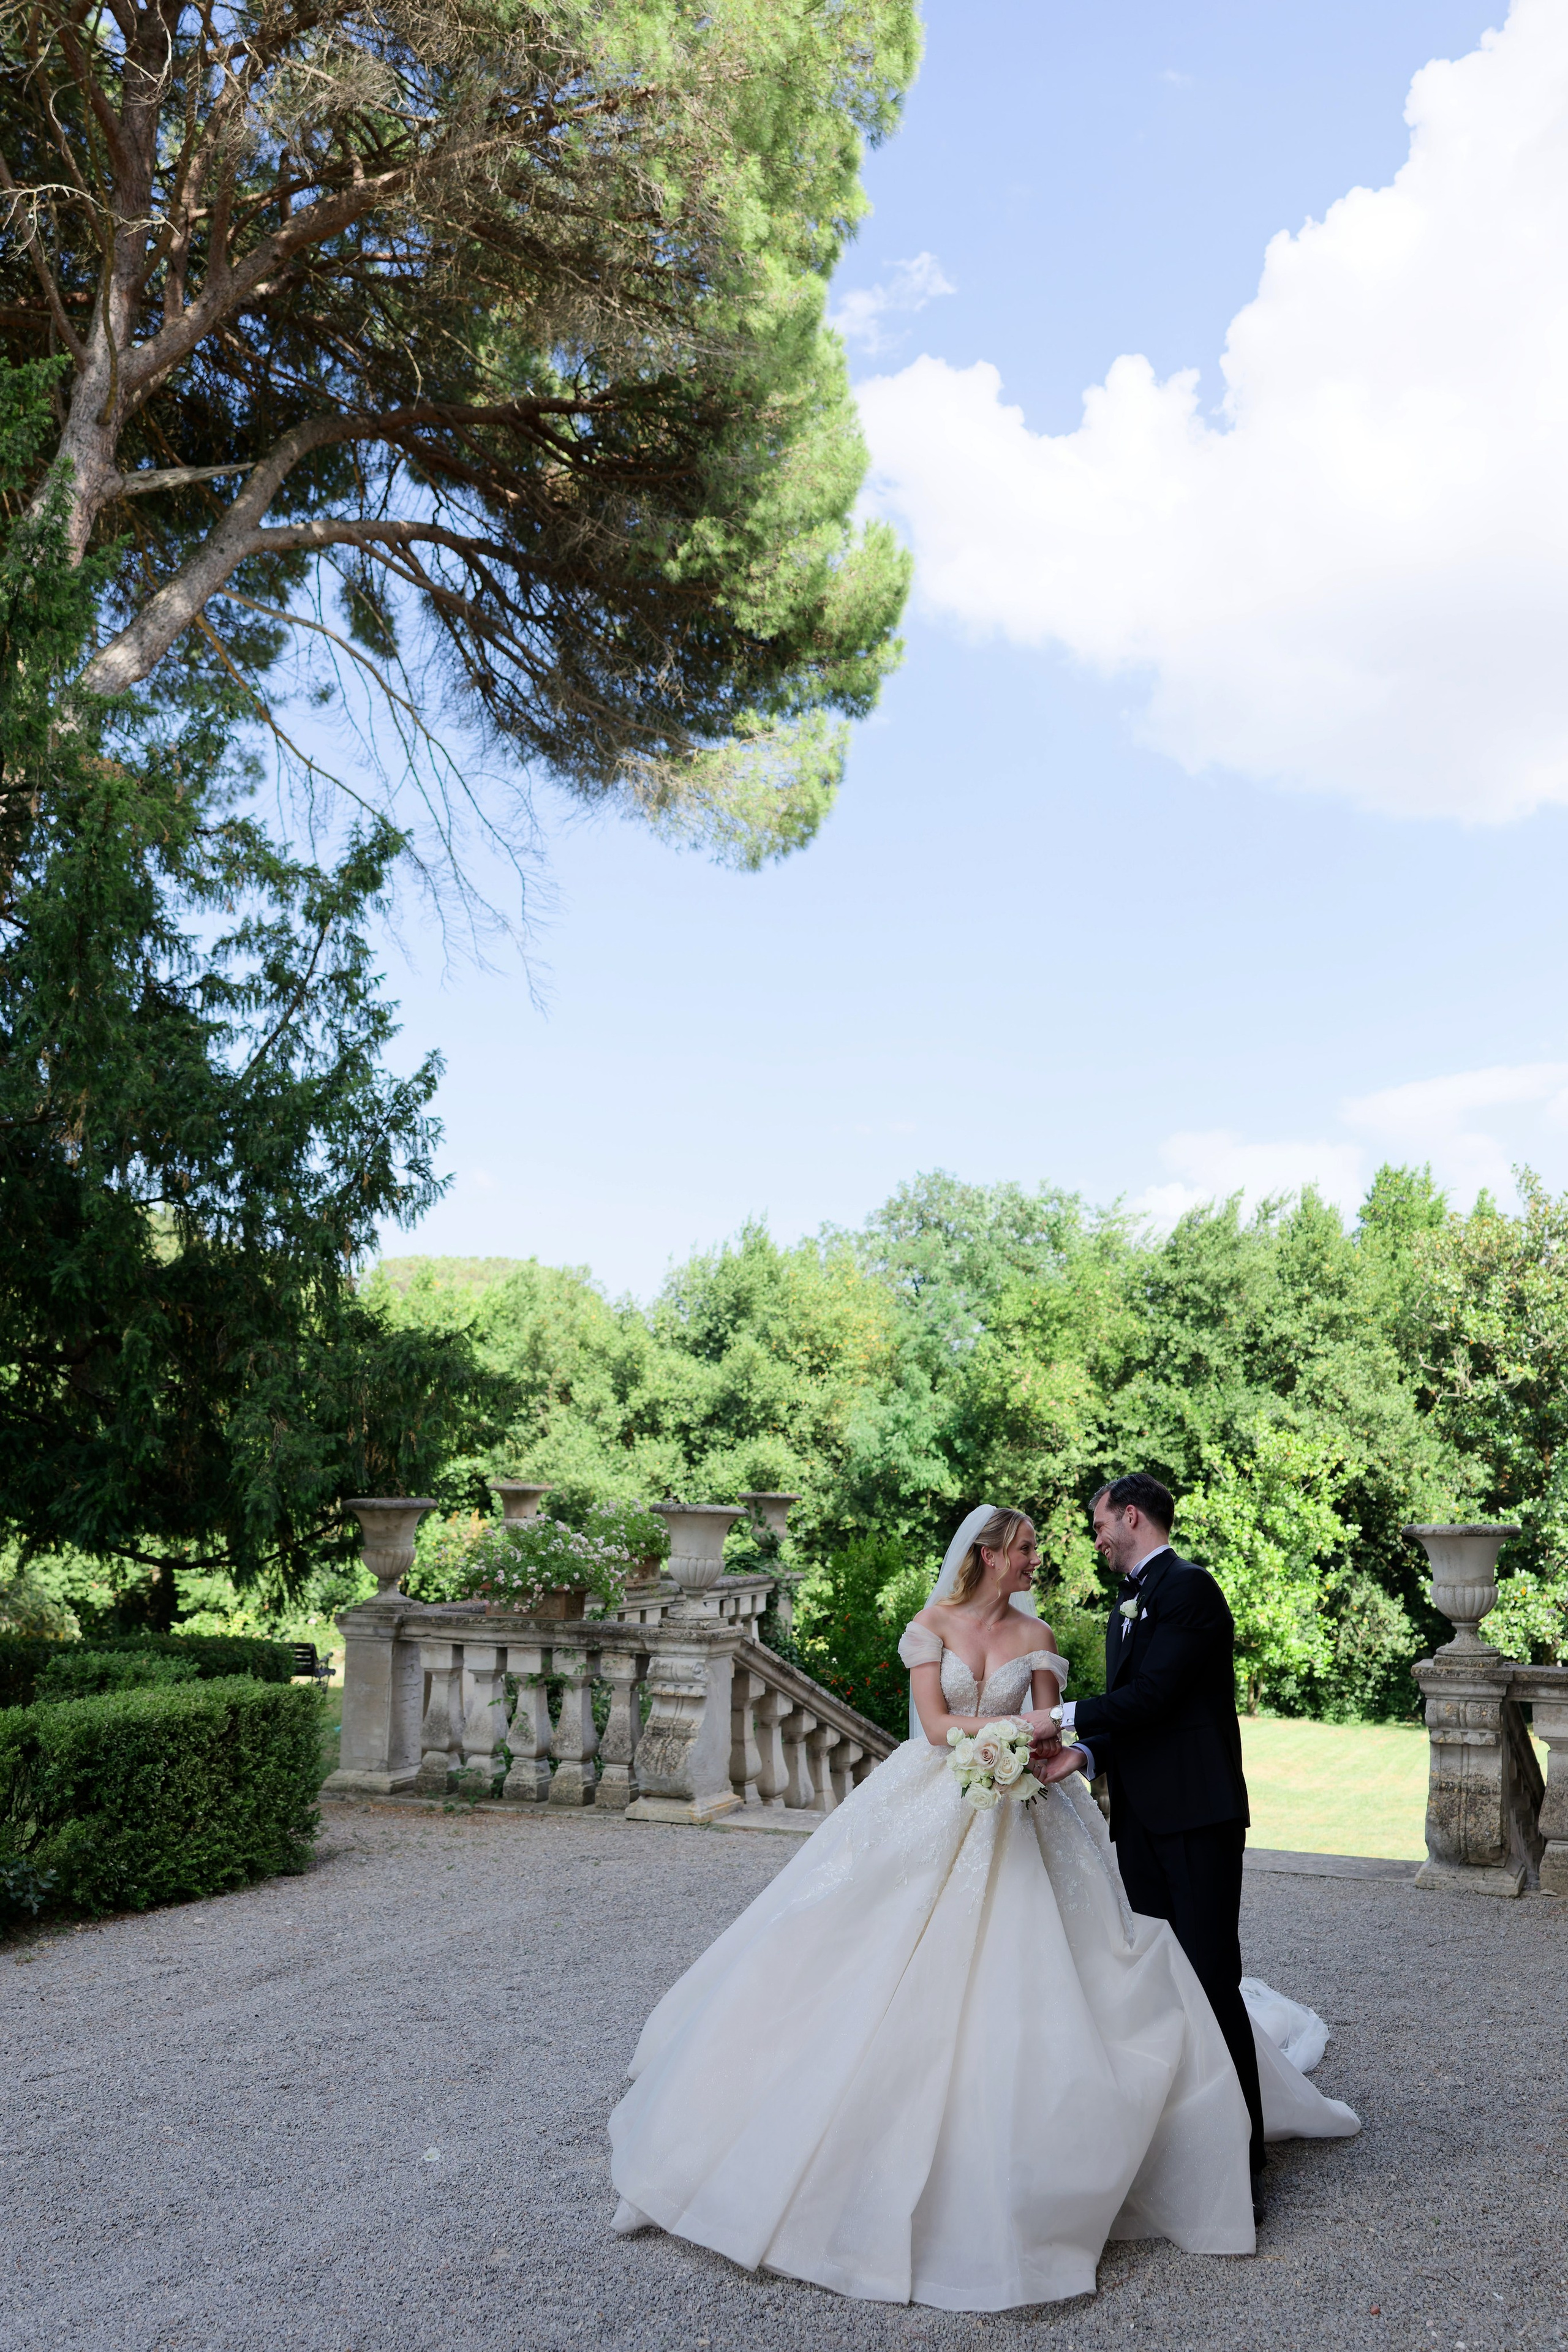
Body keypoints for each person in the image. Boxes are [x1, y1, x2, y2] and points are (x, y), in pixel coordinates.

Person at [608, 1503, 1357, 2312]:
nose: (1040, 1559)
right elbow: (932, 1727)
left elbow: (1051, 1726)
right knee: (872, 1949)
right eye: (1028, 1547)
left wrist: (1026, 1748)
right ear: (992, 1554)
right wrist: (992, 1738)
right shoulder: (931, 1624)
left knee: (1059, 1965)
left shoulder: (1038, 1643)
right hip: (938, 1797)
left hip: (1030, 1807)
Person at [1041, 1474, 1266, 2209]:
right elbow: (1141, 1721)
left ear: (1130, 1515)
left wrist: (1054, 1721)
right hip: (1138, 1819)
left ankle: (1241, 2157)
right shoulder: (1129, 1599)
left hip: (1197, 1819)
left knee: (1210, 1979)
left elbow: (1157, 1697)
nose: (1095, 1536)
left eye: (1099, 1522)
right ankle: (1182, 2140)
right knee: (1161, 1982)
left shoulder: (1189, 1589)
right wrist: (1088, 1755)